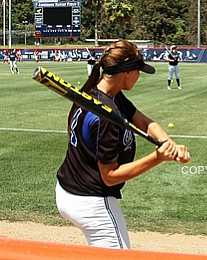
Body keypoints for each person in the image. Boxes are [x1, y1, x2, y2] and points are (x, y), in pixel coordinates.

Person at [55, 40, 191, 249]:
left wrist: (168, 144)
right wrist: (158, 158)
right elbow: (110, 177)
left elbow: (144, 121)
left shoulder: (102, 93)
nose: (139, 77)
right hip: (92, 201)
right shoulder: (106, 117)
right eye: (138, 71)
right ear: (126, 72)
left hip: (69, 188)